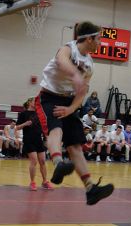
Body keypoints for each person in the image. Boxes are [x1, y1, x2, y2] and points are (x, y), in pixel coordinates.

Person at [35, 21, 114, 205]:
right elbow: (62, 62)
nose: (100, 42)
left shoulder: (90, 65)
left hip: (69, 102)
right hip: (49, 97)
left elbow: (82, 92)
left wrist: (71, 109)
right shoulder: (67, 49)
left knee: (76, 145)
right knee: (56, 131)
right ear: (88, 39)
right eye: (99, 38)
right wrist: (75, 75)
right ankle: (58, 164)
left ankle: (90, 189)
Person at [16, 97, 53, 191]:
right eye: (35, 101)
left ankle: (45, 182)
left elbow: (44, 126)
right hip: (29, 140)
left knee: (43, 161)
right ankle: (32, 182)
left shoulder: (39, 114)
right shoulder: (23, 114)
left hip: (38, 140)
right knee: (34, 161)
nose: (37, 103)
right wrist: (25, 124)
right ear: (29, 102)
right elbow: (17, 127)